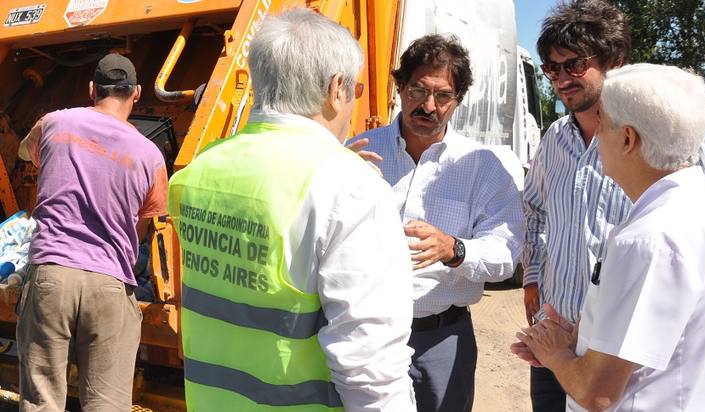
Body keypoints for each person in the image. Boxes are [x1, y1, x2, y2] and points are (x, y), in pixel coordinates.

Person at [167, 8, 416, 412]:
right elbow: (370, 367)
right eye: (353, 90)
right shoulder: (351, 188)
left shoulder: (201, 169)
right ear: (336, 89)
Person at [523, 2, 705, 410]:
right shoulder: (553, 140)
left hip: (628, 369)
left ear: (616, 62)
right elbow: (534, 209)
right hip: (565, 337)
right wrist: (533, 279)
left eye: (572, 65)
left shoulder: (685, 143)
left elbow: (599, 394)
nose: (559, 79)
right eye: (550, 69)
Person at [349, 34, 523, 412]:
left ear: (458, 101)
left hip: (441, 339)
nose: (428, 106)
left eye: (443, 96)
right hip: (366, 334)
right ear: (399, 87)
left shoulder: (481, 167)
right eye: (418, 90)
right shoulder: (359, 152)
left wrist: (455, 249)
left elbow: (507, 253)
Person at [16, 53, 168, 411]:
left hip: (52, 278)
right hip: (110, 285)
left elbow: (25, 152)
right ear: (137, 94)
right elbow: (145, 223)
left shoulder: (55, 123)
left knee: (41, 402)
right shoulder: (150, 155)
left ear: (90, 90)